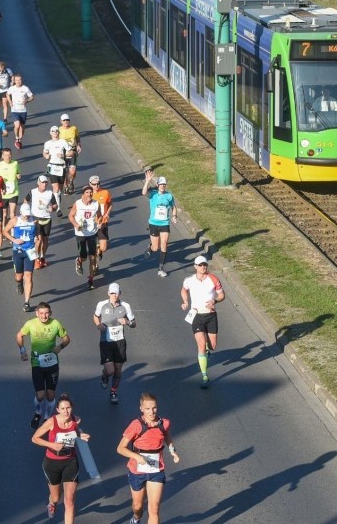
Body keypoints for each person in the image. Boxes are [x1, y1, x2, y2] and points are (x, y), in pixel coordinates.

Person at [116, 392, 180, 524]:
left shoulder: (164, 423)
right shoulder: (136, 425)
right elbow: (120, 448)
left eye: (154, 408)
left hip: (156, 470)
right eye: (148, 409)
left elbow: (166, 435)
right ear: (141, 409)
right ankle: (136, 518)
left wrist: (172, 450)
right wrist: (136, 457)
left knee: (154, 509)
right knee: (138, 507)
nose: (152, 412)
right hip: (137, 471)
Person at [31, 394, 90, 522]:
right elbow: (34, 438)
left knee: (69, 501)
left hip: (70, 462)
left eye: (68, 408)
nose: (66, 411)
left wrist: (81, 435)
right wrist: (51, 445)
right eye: (62, 409)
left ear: (72, 408)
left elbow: (75, 430)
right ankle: (52, 503)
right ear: (57, 410)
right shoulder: (51, 422)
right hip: (52, 463)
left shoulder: (75, 420)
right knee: (56, 497)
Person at [16, 302, 71, 429]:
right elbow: (19, 335)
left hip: (52, 363)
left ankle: (47, 417)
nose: (44, 316)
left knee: (50, 395)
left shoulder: (55, 324)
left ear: (50, 313)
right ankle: (38, 413)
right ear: (37, 314)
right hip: (37, 363)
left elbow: (67, 338)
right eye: (41, 313)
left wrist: (60, 346)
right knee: (40, 395)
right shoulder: (30, 324)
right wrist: (22, 350)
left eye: (46, 313)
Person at [179, 255, 225, 389]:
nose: (203, 267)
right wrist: (185, 301)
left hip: (210, 315)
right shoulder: (189, 280)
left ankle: (207, 351)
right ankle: (205, 376)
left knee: (212, 346)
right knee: (201, 344)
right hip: (196, 316)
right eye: (200, 265)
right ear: (195, 267)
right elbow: (183, 289)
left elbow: (222, 295)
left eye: (204, 264)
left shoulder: (213, 279)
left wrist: (215, 301)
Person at [94, 282, 136, 404]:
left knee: (118, 370)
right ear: (108, 293)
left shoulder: (126, 306)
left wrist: (127, 322)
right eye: (112, 293)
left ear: (120, 294)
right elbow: (96, 316)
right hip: (105, 341)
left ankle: (113, 391)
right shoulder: (101, 304)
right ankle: (105, 375)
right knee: (110, 370)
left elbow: (134, 323)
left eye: (116, 293)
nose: (114, 295)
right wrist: (98, 324)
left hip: (120, 342)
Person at [142, 170, 177, 277]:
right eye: (161, 184)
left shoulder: (169, 196)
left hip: (164, 223)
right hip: (153, 223)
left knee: (164, 244)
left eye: (164, 184)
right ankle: (150, 247)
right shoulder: (153, 195)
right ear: (157, 185)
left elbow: (173, 207)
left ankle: (161, 268)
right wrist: (147, 181)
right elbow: (143, 193)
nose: (162, 186)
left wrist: (175, 216)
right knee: (155, 248)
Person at [3, 203, 37, 312]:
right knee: (19, 276)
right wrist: (14, 240)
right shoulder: (14, 220)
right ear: (21, 213)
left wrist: (37, 241)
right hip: (18, 251)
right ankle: (19, 283)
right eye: (25, 215)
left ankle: (27, 302)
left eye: (28, 215)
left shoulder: (34, 220)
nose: (27, 217)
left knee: (29, 276)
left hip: (30, 251)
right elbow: (5, 231)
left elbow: (38, 234)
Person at [68, 186, 102, 290]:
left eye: (91, 192)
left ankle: (91, 279)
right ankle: (79, 261)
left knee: (92, 258)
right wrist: (76, 224)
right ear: (83, 194)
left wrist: (99, 222)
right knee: (84, 257)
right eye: (87, 192)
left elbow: (99, 216)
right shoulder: (78, 204)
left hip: (92, 233)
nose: (89, 194)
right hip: (80, 234)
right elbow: (71, 216)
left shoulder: (96, 204)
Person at [25, 175, 57, 269]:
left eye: (46, 182)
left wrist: (52, 208)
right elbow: (25, 200)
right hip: (35, 218)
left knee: (45, 240)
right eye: (43, 182)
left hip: (47, 219)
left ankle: (42, 257)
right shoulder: (33, 192)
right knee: (38, 241)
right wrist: (27, 211)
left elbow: (55, 205)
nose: (44, 184)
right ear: (38, 183)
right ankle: (36, 259)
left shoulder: (50, 193)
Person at [42, 126, 69, 215]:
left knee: (60, 190)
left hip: (61, 167)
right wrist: (46, 155)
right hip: (52, 166)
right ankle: (58, 209)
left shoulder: (63, 142)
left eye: (57, 131)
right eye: (53, 131)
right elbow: (45, 152)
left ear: (58, 132)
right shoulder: (47, 143)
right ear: (50, 133)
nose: (55, 132)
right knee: (56, 188)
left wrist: (63, 155)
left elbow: (71, 152)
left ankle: (56, 200)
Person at [88, 175, 112, 262]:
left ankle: (100, 250)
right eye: (94, 184)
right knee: (91, 247)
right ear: (90, 184)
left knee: (104, 248)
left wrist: (107, 213)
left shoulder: (105, 192)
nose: (96, 186)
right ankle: (94, 265)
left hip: (103, 223)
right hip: (91, 224)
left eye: (98, 184)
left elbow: (110, 204)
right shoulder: (87, 194)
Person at [6, 73, 33, 149]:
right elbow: (7, 94)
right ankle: (17, 137)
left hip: (23, 110)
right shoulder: (12, 88)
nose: (18, 81)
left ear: (21, 80)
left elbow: (31, 97)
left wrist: (26, 101)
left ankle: (20, 140)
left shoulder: (25, 88)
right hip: (14, 110)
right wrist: (10, 101)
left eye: (19, 80)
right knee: (17, 125)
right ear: (14, 81)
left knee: (22, 127)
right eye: (17, 80)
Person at [0, 147, 21, 223]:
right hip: (4, 193)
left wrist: (18, 176)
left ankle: (13, 229)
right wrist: (0, 188)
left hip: (14, 192)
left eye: (9, 155)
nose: (8, 157)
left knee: (12, 213)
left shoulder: (15, 163)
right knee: (4, 213)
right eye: (6, 155)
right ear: (2, 156)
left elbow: (18, 173)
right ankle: (3, 228)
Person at [58, 114, 81, 194]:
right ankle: (66, 186)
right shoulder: (59, 130)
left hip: (72, 151)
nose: (66, 122)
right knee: (64, 171)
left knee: (72, 171)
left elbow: (77, 136)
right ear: (61, 121)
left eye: (67, 120)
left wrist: (78, 145)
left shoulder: (74, 128)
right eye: (64, 120)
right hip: (63, 152)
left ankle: (71, 181)